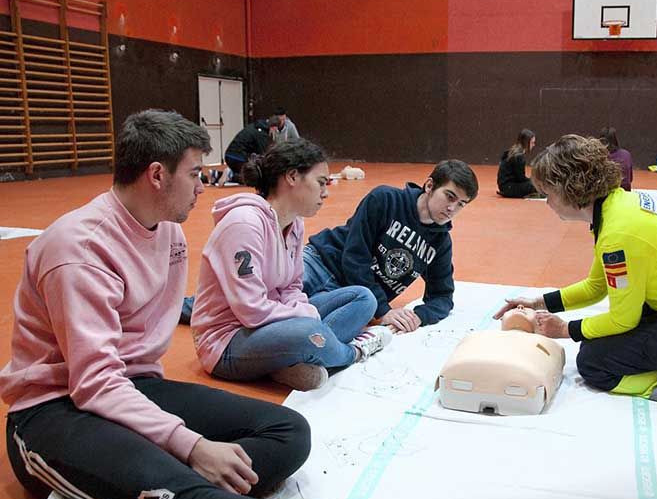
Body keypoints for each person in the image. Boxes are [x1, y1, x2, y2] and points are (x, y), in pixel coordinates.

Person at [0, 110, 310, 499]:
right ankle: (163, 490)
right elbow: (93, 381)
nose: (202, 186)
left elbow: (122, 375)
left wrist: (178, 449)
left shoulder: (169, 232)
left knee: (289, 432)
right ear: (157, 175)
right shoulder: (79, 250)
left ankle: (146, 486)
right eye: (195, 174)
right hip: (56, 406)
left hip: (132, 385)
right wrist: (192, 446)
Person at [494, 134, 657, 406]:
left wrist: (564, 329)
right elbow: (596, 286)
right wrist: (538, 302)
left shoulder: (618, 233)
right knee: (596, 340)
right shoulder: (618, 206)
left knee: (593, 362)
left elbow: (623, 320)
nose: (546, 202)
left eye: (548, 194)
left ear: (567, 188)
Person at [191, 138, 391, 392]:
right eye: (321, 182)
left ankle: (289, 362)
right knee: (308, 331)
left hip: (274, 324)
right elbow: (251, 310)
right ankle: (352, 353)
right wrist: (304, 316)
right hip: (228, 341)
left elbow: (293, 286)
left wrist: (302, 310)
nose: (326, 192)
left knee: (363, 298)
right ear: (293, 177)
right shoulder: (243, 224)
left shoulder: (294, 223)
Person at [304, 160, 479, 334]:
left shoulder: (440, 242)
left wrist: (418, 317)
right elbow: (355, 257)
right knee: (286, 299)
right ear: (429, 186)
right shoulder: (386, 199)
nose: (452, 208)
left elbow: (442, 296)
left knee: (313, 334)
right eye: (450, 196)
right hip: (320, 264)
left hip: (350, 295)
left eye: (461, 204)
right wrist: (383, 310)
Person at [219, 115, 281, 186]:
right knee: (252, 178)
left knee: (244, 178)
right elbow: (264, 154)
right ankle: (230, 174)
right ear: (274, 128)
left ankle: (217, 174)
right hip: (238, 157)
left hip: (230, 155)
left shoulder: (255, 126)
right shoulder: (262, 134)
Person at [496, 128, 542, 198]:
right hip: (508, 188)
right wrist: (533, 181)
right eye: (532, 143)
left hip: (504, 186)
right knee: (534, 185)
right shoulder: (519, 157)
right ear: (526, 142)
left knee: (533, 183)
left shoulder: (513, 151)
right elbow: (520, 178)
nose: (534, 145)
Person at [598, 126, 633, 191]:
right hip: (625, 193)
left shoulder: (598, 156)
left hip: (606, 194)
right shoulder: (626, 154)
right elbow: (630, 179)